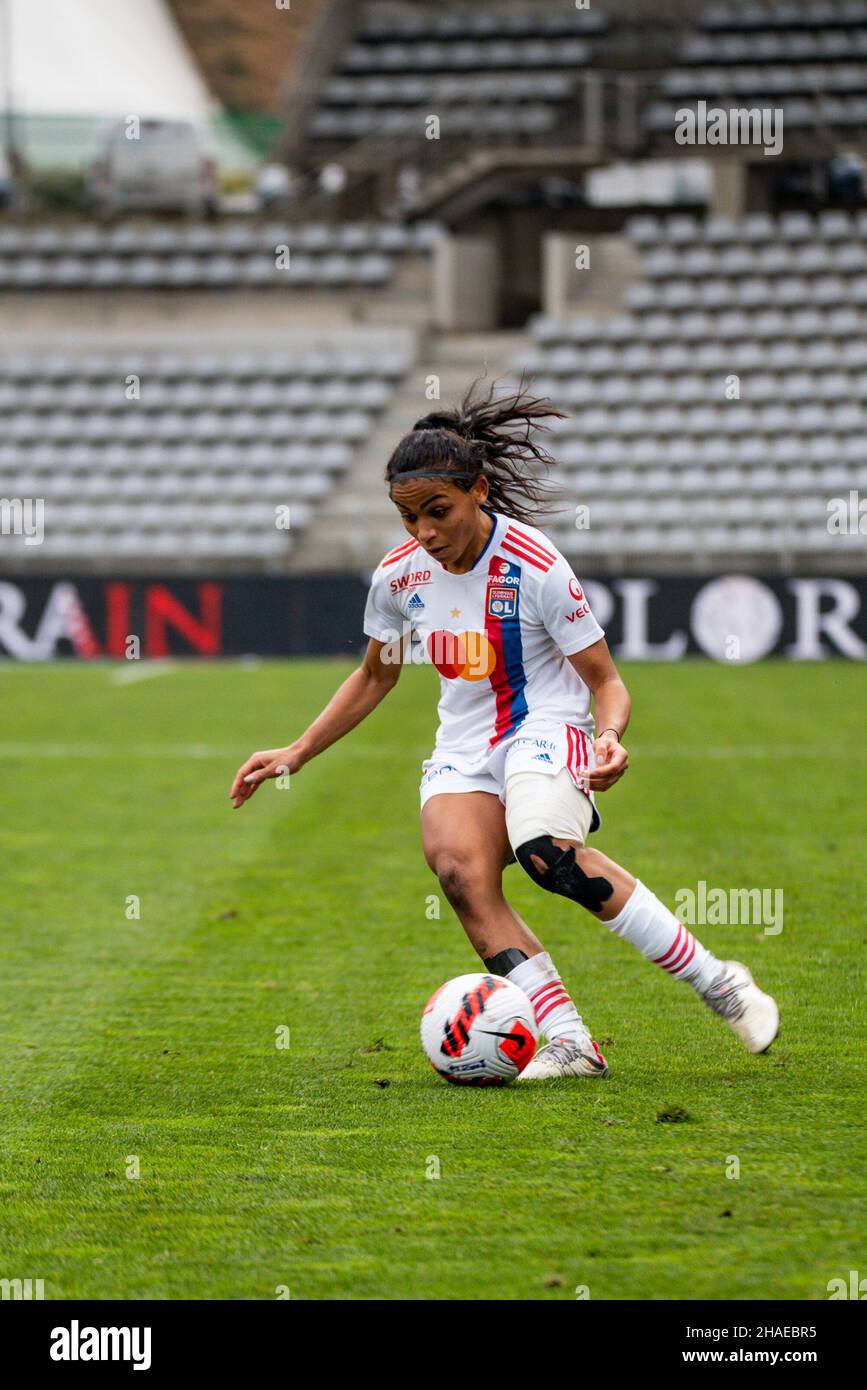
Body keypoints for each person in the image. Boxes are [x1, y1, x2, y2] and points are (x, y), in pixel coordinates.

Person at [230, 381, 779, 1079]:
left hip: (548, 728)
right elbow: (376, 674)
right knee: (459, 873)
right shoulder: (399, 580)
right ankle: (570, 1041)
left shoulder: (536, 565)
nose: (424, 533)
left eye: (437, 512)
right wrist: (297, 750)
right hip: (464, 747)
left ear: (478, 492)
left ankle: (719, 982)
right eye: (408, 518)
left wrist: (608, 738)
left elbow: (605, 681)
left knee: (546, 852)